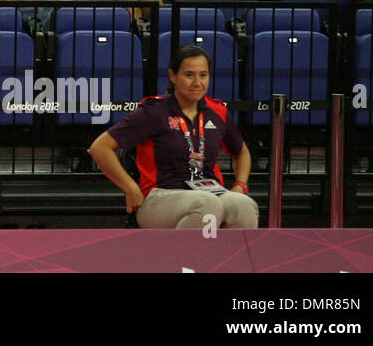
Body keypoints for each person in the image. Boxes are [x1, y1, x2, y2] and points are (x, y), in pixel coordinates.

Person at [88, 45, 257, 229]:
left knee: (243, 204)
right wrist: (131, 188)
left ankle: (228, 258)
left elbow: (241, 153)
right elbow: (100, 147)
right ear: (172, 76)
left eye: (203, 75)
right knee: (206, 204)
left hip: (211, 192)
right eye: (189, 75)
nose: (197, 83)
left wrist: (240, 185)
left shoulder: (217, 111)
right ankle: (185, 258)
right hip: (160, 196)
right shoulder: (154, 112)